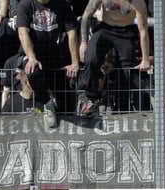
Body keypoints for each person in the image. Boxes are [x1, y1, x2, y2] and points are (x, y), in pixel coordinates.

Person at [78, 0, 150, 116]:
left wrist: (145, 59)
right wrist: (84, 42)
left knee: (127, 69)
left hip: (126, 31)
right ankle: (92, 98)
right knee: (91, 58)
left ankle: (123, 108)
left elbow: (143, 30)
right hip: (105, 28)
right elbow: (86, 15)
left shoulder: (137, 2)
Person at [17, 0, 80, 128]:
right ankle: (47, 103)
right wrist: (31, 57)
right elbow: (23, 33)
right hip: (32, 52)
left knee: (66, 102)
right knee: (32, 72)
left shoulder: (63, 4)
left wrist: (75, 62)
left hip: (54, 53)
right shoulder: (25, 4)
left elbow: (72, 33)